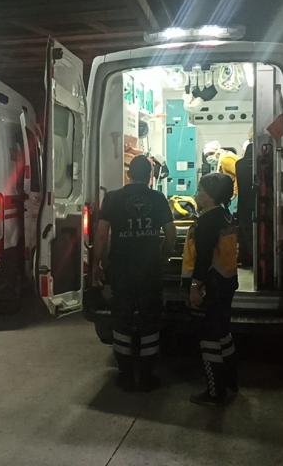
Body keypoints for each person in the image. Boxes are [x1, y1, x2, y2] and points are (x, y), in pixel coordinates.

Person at [92, 155, 177, 391]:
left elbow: (101, 235)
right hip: (150, 269)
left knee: (122, 320)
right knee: (150, 321)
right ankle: (147, 376)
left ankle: (126, 375)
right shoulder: (158, 198)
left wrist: (96, 264)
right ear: (150, 176)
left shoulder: (112, 198)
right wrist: (163, 256)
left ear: (129, 174)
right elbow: (171, 234)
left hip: (121, 269)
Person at [183, 173, 239, 406]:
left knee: (209, 338)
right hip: (227, 282)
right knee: (223, 333)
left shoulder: (207, 222)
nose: (197, 194)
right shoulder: (225, 216)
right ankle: (231, 380)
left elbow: (204, 258)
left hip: (212, 286)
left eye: (200, 190)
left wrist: (195, 287)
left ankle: (215, 392)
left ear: (210, 195)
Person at [235, 143, 254, 268]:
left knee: (243, 230)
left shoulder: (239, 164)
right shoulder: (257, 165)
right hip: (255, 201)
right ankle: (253, 257)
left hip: (242, 202)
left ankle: (244, 258)